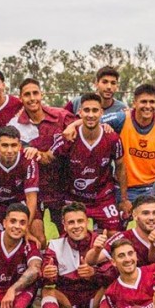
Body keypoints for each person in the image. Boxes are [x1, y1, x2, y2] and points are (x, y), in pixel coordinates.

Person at [66, 83, 155, 202]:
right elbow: (93, 118)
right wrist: (72, 125)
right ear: (134, 103)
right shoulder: (122, 118)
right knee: (118, 219)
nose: (148, 106)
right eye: (143, 102)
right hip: (124, 187)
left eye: (152, 102)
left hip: (151, 186)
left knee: (151, 218)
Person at [7, 78, 77, 244]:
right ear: (20, 98)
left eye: (35, 93)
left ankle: (67, 269)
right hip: (32, 188)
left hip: (61, 186)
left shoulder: (60, 116)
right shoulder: (15, 125)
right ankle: (42, 268)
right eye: (27, 95)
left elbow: (87, 122)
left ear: (41, 94)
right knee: (38, 239)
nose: (32, 98)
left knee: (68, 235)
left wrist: (75, 125)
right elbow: (10, 149)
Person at [51, 92, 129, 232]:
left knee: (115, 234)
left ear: (101, 112)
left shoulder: (112, 138)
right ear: (79, 112)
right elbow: (50, 158)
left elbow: (121, 167)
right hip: (73, 197)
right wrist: (35, 152)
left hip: (103, 197)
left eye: (95, 110)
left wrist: (124, 199)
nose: (91, 115)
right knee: (72, 235)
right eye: (86, 110)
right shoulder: (69, 137)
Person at [39, 202, 115, 308]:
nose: (76, 226)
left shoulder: (101, 241)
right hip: (68, 301)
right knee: (47, 290)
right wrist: (47, 274)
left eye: (80, 221)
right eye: (71, 222)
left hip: (94, 299)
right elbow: (46, 278)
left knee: (112, 287)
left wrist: (94, 273)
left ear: (87, 222)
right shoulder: (55, 245)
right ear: (64, 225)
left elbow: (114, 273)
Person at [85, 195, 155, 267]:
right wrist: (96, 250)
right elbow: (90, 261)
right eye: (145, 213)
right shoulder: (122, 238)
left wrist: (153, 244)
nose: (151, 218)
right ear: (135, 215)